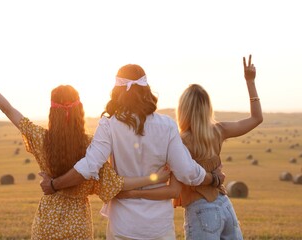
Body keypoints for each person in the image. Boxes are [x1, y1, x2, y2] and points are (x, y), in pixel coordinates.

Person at [0, 53, 171, 240]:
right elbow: (119, 183)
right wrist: (155, 178)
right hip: (79, 226)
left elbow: (7, 108)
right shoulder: (91, 146)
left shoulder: (42, 139)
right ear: (80, 110)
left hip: (47, 221)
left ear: (52, 111)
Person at [39, 63, 225, 240]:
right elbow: (186, 171)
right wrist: (213, 178)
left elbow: (89, 166)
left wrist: (55, 184)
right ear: (146, 89)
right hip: (158, 228)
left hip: (123, 226)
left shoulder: (109, 124)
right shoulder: (167, 125)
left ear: (117, 90)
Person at [116, 55, 263, 240]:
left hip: (201, 212)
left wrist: (134, 192)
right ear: (207, 107)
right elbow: (257, 118)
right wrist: (250, 82)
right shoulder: (220, 130)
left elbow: (173, 190)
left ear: (182, 109)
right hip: (225, 206)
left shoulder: (180, 141)